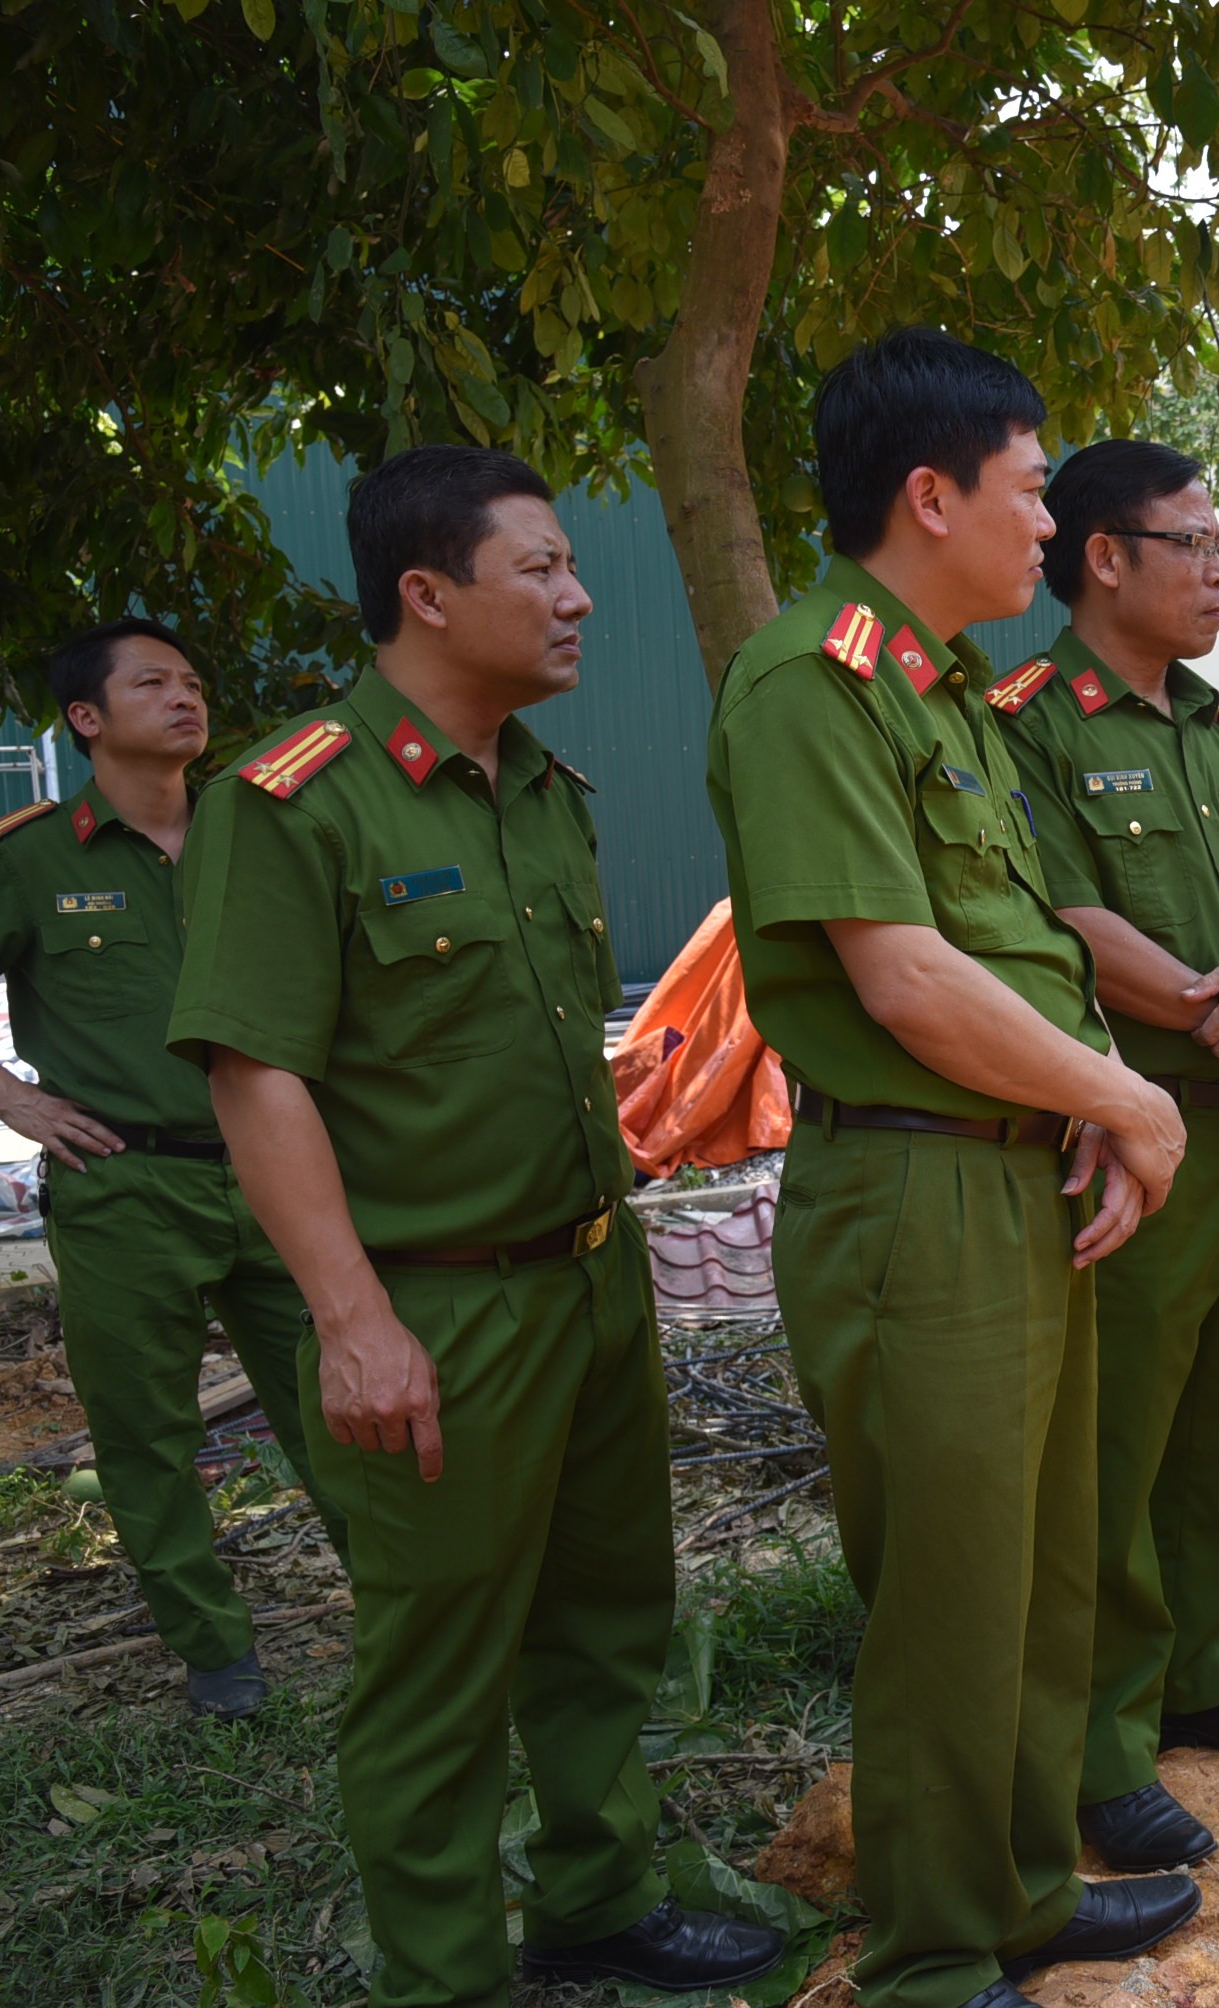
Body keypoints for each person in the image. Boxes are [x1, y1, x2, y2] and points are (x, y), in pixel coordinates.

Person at [168, 447, 781, 2003]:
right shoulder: (292, 798)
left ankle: (595, 1895)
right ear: (428, 594)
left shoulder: (543, 791)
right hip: (433, 1309)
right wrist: (353, 1320)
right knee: (439, 1668)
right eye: (543, 570)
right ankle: (445, 1976)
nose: (580, 599)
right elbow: (258, 1075)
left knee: (604, 1623)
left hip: (584, 1282)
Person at [703, 328, 1196, 2008]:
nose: (1052, 524)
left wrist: (1079, 1103)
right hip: (912, 1196)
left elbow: (1011, 955)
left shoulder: (937, 696)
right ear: (929, 494)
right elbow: (900, 973)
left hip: (1007, 1179)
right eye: (1031, 487)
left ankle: (1016, 1884)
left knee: (1039, 1569)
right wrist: (1134, 1102)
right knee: (946, 1595)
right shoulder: (812, 680)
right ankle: (927, 1954)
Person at [984, 439, 1219, 1877]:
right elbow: (1065, 922)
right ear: (1102, 555)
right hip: (1138, 1131)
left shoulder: (1210, 724)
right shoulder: (1030, 726)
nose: (1218, 571)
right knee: (1117, 1444)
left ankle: (1211, 1675)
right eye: (1190, 543)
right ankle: (1103, 1750)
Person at [0, 621, 349, 1721]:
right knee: (145, 1435)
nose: (186, 697)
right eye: (152, 684)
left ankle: (409, 1608)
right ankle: (216, 1655)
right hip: (127, 1190)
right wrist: (9, 1096)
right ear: (86, 717)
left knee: (344, 1400)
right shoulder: (27, 860)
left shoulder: (258, 828)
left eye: (192, 680)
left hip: (282, 1175)